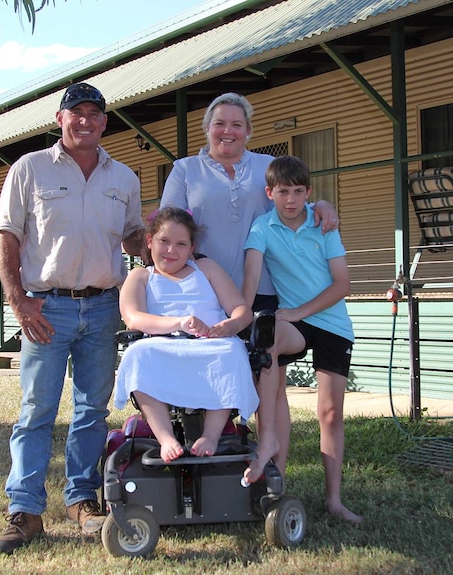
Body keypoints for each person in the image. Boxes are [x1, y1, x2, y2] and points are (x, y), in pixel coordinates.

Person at [0, 82, 144, 554]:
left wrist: (165, 241)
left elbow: (135, 238)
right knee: (37, 409)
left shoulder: (124, 179)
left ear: (104, 121)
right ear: (60, 119)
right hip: (46, 307)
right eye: (75, 113)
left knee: (92, 411)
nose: (85, 121)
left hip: (103, 308)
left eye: (93, 114)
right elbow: (7, 238)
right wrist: (18, 300)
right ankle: (26, 510)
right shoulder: (29, 169)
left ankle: (82, 500)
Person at [160, 92, 340, 477]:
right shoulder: (185, 169)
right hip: (208, 293)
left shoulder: (267, 165)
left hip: (265, 291)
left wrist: (323, 204)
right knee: (210, 375)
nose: (228, 131)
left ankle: (274, 476)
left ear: (249, 130)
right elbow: (169, 224)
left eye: (237, 125)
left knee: (270, 387)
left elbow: (294, 198)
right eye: (220, 123)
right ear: (207, 127)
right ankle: (207, 465)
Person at [242, 155, 361, 524]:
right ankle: (270, 447)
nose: (290, 199)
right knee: (266, 336)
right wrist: (238, 318)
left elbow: (342, 284)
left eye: (297, 192)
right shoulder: (262, 228)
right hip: (294, 322)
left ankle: (334, 500)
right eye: (282, 192)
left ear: (308, 193)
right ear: (269, 193)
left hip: (330, 322)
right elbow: (249, 283)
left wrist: (297, 311)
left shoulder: (324, 225)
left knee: (329, 413)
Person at [114, 207, 257, 463]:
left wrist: (231, 325)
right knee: (137, 354)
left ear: (192, 248)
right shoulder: (141, 276)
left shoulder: (206, 268)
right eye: (164, 242)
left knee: (232, 351)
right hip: (162, 344)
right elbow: (133, 317)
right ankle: (165, 436)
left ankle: (211, 435)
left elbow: (241, 309)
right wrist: (178, 322)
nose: (171, 250)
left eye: (181, 244)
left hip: (209, 343)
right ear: (150, 241)